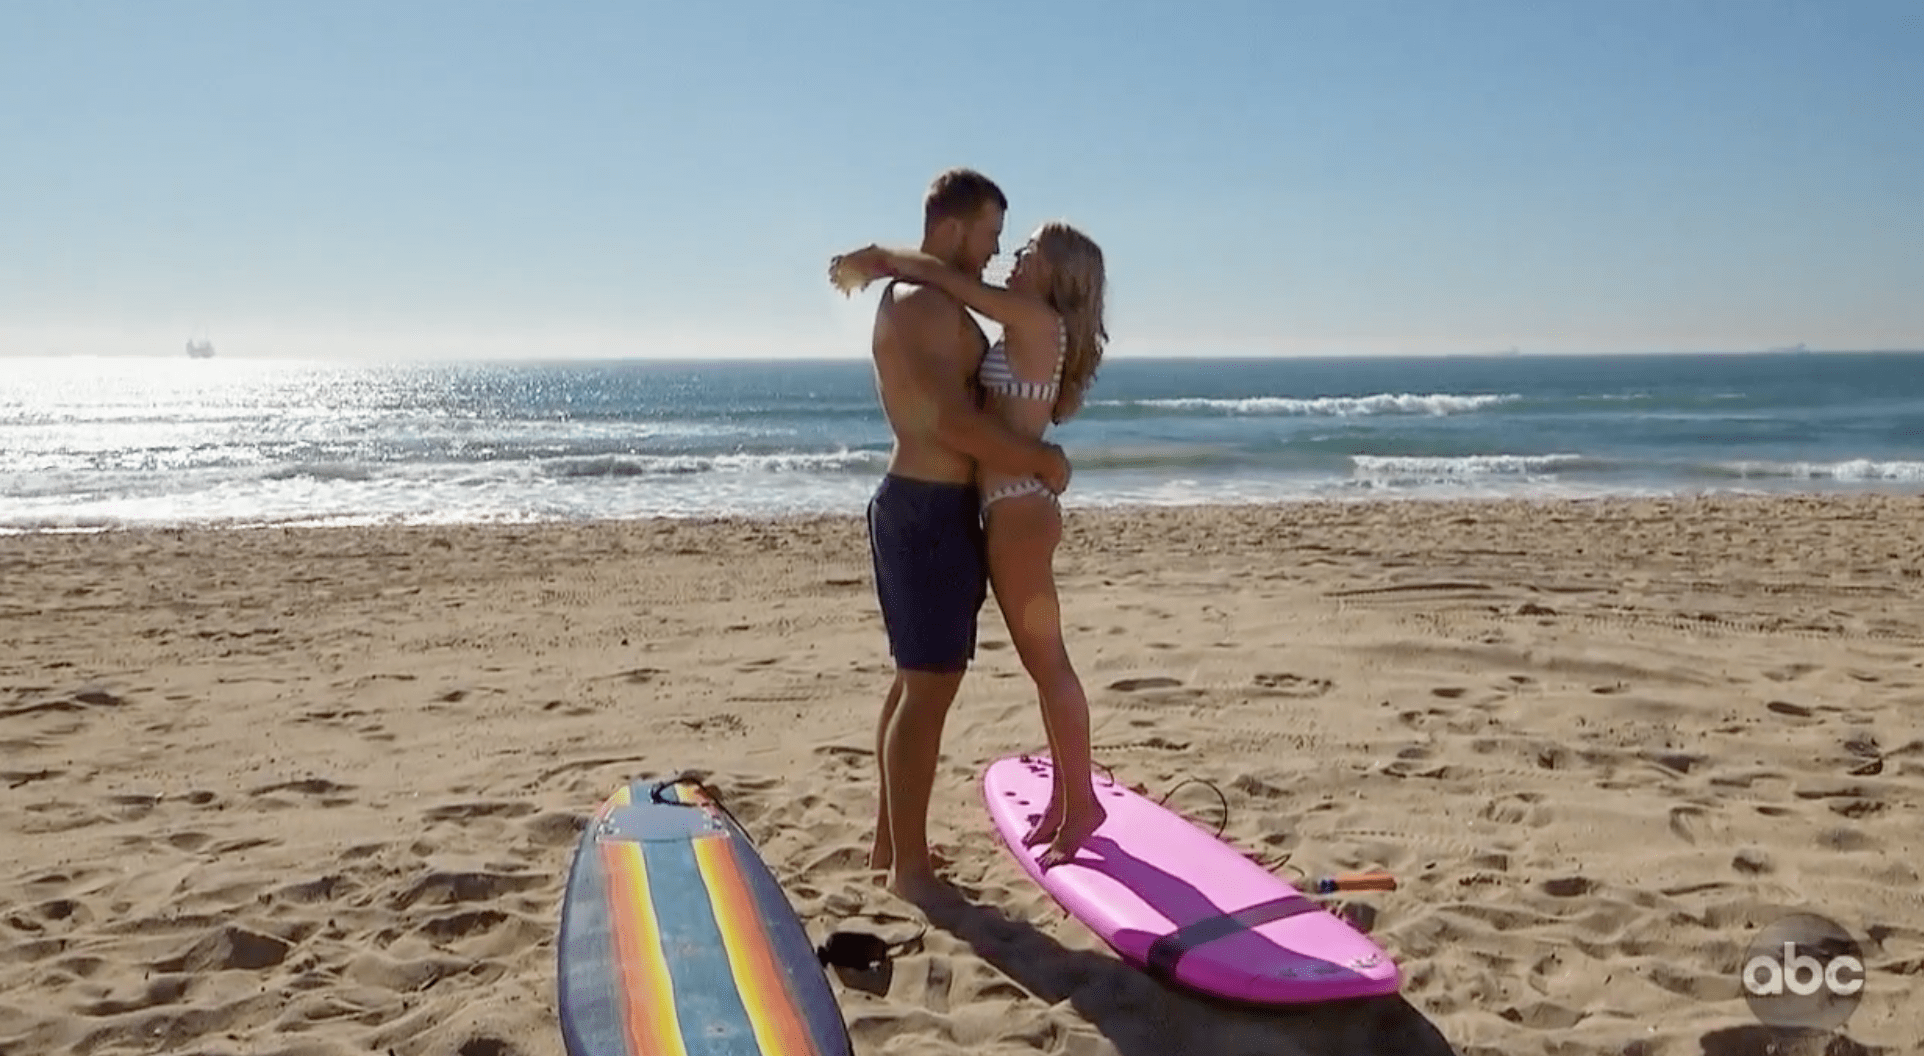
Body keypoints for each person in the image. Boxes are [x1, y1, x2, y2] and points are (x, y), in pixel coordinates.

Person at [831, 215, 1110, 871]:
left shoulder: (1033, 319)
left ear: (1056, 272)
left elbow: (940, 274)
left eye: (1030, 250)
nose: (1014, 256)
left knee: (1050, 666)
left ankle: (1083, 805)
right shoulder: (1034, 326)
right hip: (1011, 509)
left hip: (1016, 513)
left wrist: (878, 259)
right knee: (1042, 668)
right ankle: (1065, 802)